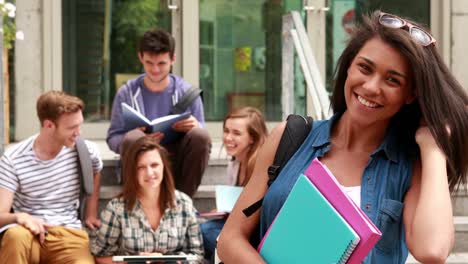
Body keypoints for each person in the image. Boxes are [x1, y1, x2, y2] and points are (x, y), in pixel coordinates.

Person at [217, 11, 468, 264]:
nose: (370, 87)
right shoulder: (289, 138)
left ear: (410, 95)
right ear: (348, 66)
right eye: (364, 68)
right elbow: (230, 239)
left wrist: (433, 146)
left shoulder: (410, 164)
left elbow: (432, 251)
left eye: (392, 80)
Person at [0, 91, 103, 263]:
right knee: (14, 237)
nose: (78, 132)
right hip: (27, 233)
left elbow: (96, 169)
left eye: (80, 125)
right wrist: (20, 217)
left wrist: (91, 213)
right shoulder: (13, 159)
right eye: (71, 128)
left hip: (68, 234)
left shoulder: (84, 150)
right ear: (49, 125)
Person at [107, 28, 211, 197]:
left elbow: (201, 140)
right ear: (141, 57)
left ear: (173, 59)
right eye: (149, 63)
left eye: (161, 63)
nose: (155, 70)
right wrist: (137, 138)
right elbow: (113, 138)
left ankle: (182, 203)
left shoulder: (188, 93)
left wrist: (195, 126)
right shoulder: (126, 93)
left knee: (200, 135)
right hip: (140, 164)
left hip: (177, 165)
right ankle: (139, 201)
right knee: (133, 138)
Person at [91, 136, 204, 263]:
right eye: (141, 167)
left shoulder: (184, 204)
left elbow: (197, 256)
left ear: (164, 167)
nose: (149, 173)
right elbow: (100, 255)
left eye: (154, 165)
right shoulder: (116, 208)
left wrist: (168, 262)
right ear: (133, 171)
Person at [200, 107, 268, 261]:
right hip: (238, 222)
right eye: (226, 131)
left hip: (257, 228)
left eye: (236, 133)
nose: (228, 138)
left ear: (252, 137)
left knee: (210, 233)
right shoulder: (234, 165)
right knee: (204, 230)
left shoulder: (260, 165)